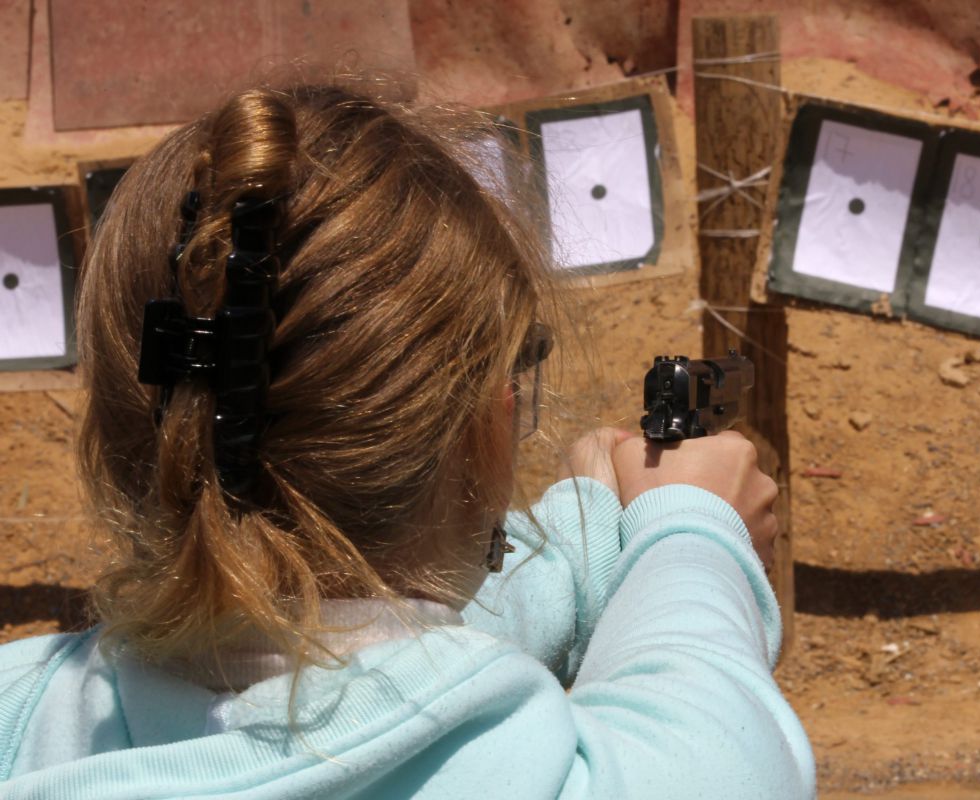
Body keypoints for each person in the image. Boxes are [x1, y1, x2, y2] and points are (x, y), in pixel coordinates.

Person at [0, 82, 815, 799]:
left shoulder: (25, 714)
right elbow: (725, 742)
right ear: (483, 422)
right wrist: (692, 531)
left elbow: (351, 637)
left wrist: (601, 525)